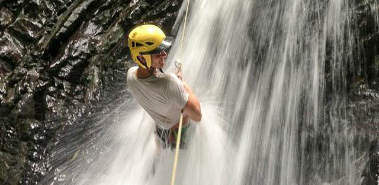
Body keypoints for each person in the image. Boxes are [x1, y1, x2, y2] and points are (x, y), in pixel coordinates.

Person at [126, 24, 202, 149]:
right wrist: (184, 86)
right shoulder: (170, 84)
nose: (164, 55)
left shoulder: (130, 76)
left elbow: (156, 85)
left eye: (163, 50)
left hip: (161, 129)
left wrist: (172, 82)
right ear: (141, 57)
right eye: (158, 53)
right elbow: (197, 115)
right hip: (181, 132)